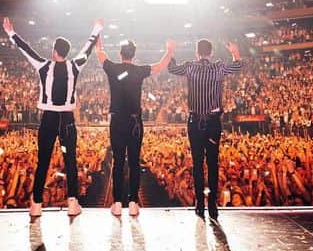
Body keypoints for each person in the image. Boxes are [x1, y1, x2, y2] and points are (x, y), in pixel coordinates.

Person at [4, 16, 103, 218]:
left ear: (54, 51)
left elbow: (26, 50)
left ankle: (37, 204)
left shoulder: (43, 66)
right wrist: (97, 28)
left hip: (48, 120)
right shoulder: (75, 66)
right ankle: (73, 203)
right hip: (66, 121)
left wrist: (11, 32)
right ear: (66, 53)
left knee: (43, 161)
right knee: (70, 160)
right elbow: (87, 49)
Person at [95, 36, 175, 217]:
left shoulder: (113, 68)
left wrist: (98, 40)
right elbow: (159, 66)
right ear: (134, 54)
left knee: (117, 162)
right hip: (134, 123)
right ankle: (132, 203)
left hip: (116, 121)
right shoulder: (139, 71)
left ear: (120, 53)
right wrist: (169, 51)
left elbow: (100, 54)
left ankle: (116, 204)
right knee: (133, 162)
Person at [168, 38, 243, 219]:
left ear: (197, 53)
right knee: (212, 164)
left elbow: (171, 68)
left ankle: (199, 204)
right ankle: (213, 206)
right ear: (211, 53)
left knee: (197, 164)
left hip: (194, 122)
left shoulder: (190, 67)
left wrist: (170, 51)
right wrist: (235, 51)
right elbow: (238, 65)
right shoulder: (217, 67)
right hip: (212, 123)